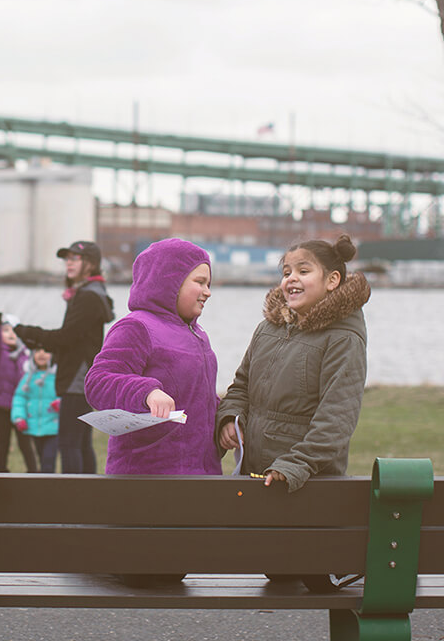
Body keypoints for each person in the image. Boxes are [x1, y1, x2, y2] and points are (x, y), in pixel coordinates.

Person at [215, 233, 370, 594]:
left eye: (303, 270)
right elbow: (240, 385)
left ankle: (329, 565)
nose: (291, 279)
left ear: (333, 280)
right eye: (286, 271)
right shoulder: (269, 328)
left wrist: (295, 465)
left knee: (306, 571)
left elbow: (337, 418)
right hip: (260, 477)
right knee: (280, 573)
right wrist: (230, 416)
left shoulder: (343, 338)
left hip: (306, 483)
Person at [84, 238, 222, 475]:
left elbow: (198, 399)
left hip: (202, 475)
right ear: (170, 281)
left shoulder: (199, 334)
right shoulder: (136, 327)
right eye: (200, 282)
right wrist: (146, 392)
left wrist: (225, 421)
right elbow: (98, 382)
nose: (207, 292)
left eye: (209, 284)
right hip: (148, 477)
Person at [14, 240, 114, 474]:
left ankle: (75, 495)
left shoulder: (88, 297)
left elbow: (66, 337)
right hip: (80, 376)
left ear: (90, 264)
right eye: (66, 259)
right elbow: (73, 339)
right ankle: (88, 493)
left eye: (74, 259)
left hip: (77, 380)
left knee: (69, 443)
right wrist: (34, 339)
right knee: (80, 442)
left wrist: (25, 331)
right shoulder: (89, 293)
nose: (68, 263)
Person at [0, 312, 39, 472]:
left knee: (25, 443)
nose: (11, 334)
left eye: (14, 330)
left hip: (22, 409)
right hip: (1, 406)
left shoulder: (26, 355)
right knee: (3, 443)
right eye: (6, 330)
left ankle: (34, 473)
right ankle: (1, 472)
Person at [10, 345, 60, 473]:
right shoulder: (28, 378)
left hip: (53, 427)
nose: (41, 354)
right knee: (41, 459)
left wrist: (61, 403)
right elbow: (19, 398)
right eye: (38, 351)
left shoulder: (58, 376)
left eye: (46, 350)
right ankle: (41, 487)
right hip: (35, 427)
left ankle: (47, 488)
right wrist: (19, 417)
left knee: (48, 462)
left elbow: (66, 394)